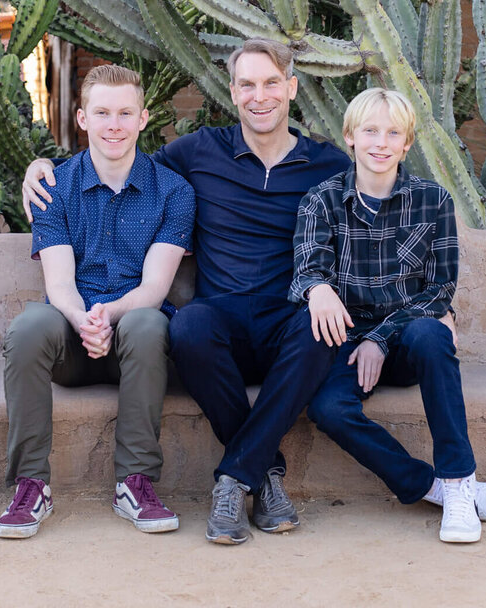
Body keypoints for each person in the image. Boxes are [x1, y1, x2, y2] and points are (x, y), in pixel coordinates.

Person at [24, 39, 349, 544]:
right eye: (246, 84)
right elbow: (117, 156)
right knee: (190, 324)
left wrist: (438, 307)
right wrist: (41, 167)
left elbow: (395, 212)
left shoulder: (328, 165)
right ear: (233, 92)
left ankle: (238, 475)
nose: (259, 96)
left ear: (291, 88)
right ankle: (262, 473)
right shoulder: (196, 154)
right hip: (220, 328)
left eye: (270, 84)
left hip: (289, 322)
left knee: (322, 327)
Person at [290, 87, 486, 543]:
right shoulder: (321, 201)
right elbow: (307, 270)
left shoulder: (434, 201)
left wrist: (382, 338)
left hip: (408, 340)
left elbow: (439, 289)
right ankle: (435, 488)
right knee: (328, 409)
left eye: (393, 133)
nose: (381, 142)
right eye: (370, 130)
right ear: (350, 136)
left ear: (407, 143)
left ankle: (458, 476)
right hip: (345, 342)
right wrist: (320, 292)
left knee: (434, 335)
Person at [0, 64, 195, 539]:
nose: (115, 125)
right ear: (82, 118)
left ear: (144, 118)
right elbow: (60, 283)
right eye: (102, 112)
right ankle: (31, 486)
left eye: (126, 113)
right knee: (28, 327)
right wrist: (84, 318)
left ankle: (136, 482)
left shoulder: (175, 192)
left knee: (148, 322)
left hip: (137, 346)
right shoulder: (53, 187)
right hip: (72, 339)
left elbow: (155, 287)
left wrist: (110, 314)